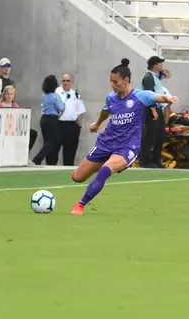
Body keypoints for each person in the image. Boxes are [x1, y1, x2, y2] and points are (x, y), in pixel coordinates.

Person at [70, 58, 178, 216]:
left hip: (127, 146)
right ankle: (100, 165)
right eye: (111, 81)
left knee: (105, 171)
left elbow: (158, 97)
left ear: (126, 80)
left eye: (115, 82)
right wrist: (98, 123)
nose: (112, 85)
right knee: (77, 177)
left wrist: (168, 98)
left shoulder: (141, 96)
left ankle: (80, 205)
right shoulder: (111, 98)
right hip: (106, 143)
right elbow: (106, 111)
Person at [51, 73, 86, 166]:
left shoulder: (75, 94)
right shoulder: (55, 92)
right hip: (58, 125)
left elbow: (80, 111)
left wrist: (79, 125)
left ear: (71, 82)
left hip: (71, 126)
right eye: (64, 80)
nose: (65, 83)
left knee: (70, 154)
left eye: (68, 81)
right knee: (53, 151)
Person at [139, 55, 167, 168]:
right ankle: (145, 160)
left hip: (159, 107)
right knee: (150, 135)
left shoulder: (157, 76)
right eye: (160, 64)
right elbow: (149, 95)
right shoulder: (148, 77)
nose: (162, 66)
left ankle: (156, 159)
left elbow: (169, 75)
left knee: (160, 135)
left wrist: (162, 70)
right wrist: (153, 110)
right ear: (154, 66)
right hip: (151, 108)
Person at [31, 75, 64, 165]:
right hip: (52, 119)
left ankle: (43, 160)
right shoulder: (55, 96)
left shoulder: (44, 96)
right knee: (52, 141)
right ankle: (37, 159)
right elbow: (61, 108)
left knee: (47, 141)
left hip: (44, 119)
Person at [0, 85, 38, 151]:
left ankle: (25, 152)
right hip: (3, 129)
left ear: (14, 96)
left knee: (33, 133)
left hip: (15, 128)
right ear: (4, 95)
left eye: (11, 94)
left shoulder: (15, 106)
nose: (9, 96)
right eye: (8, 94)